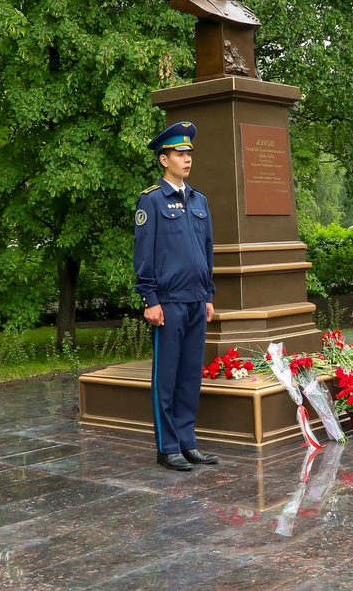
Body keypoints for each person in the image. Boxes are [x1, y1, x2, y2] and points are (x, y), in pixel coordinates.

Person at [133, 121, 220, 471]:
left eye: (189, 154)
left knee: (189, 376)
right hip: (167, 302)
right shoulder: (152, 201)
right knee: (166, 376)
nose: (187, 159)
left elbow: (207, 250)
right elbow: (144, 255)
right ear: (163, 159)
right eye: (180, 154)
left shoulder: (199, 201)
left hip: (197, 300)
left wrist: (209, 295)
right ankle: (167, 446)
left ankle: (187, 442)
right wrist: (149, 299)